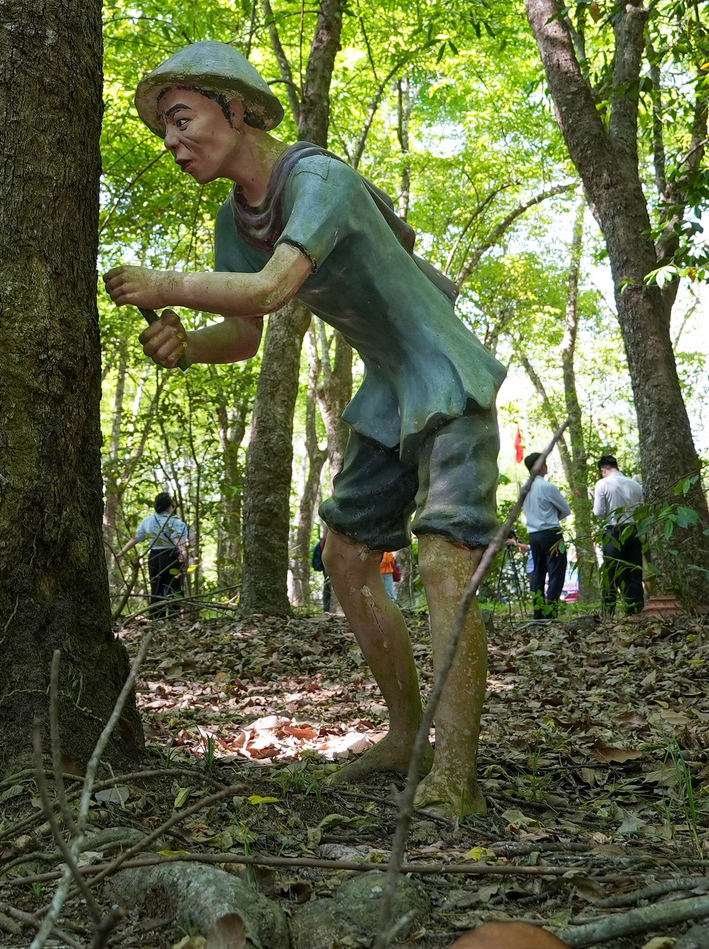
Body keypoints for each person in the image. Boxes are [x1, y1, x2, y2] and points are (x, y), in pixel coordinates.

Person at [104, 41, 504, 819]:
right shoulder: (238, 217)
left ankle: (455, 773)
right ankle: (405, 733)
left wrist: (164, 283)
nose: (173, 141)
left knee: (444, 568)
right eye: (164, 131)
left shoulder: (317, 178)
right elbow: (247, 328)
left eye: (182, 119)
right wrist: (185, 343)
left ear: (237, 108)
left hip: (446, 376)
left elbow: (271, 285)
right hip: (389, 394)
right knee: (347, 555)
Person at [593, 452, 646, 615]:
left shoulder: (602, 484)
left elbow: (598, 512)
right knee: (634, 573)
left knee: (611, 573)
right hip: (633, 531)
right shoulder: (636, 485)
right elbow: (642, 509)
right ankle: (636, 612)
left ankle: (608, 612)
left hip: (613, 532)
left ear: (603, 470)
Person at [521, 451, 570, 620]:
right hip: (551, 533)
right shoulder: (546, 486)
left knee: (538, 572)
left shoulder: (525, 488)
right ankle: (551, 611)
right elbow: (566, 509)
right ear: (540, 467)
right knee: (556, 572)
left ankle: (538, 612)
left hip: (534, 534)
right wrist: (553, 516)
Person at [136, 494, 192, 618]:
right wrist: (183, 553)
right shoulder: (176, 522)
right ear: (169, 506)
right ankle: (173, 619)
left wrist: (121, 553)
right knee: (174, 589)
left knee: (156, 589)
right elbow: (177, 540)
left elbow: (136, 539)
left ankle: (156, 619)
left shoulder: (147, 521)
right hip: (172, 556)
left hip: (154, 557)